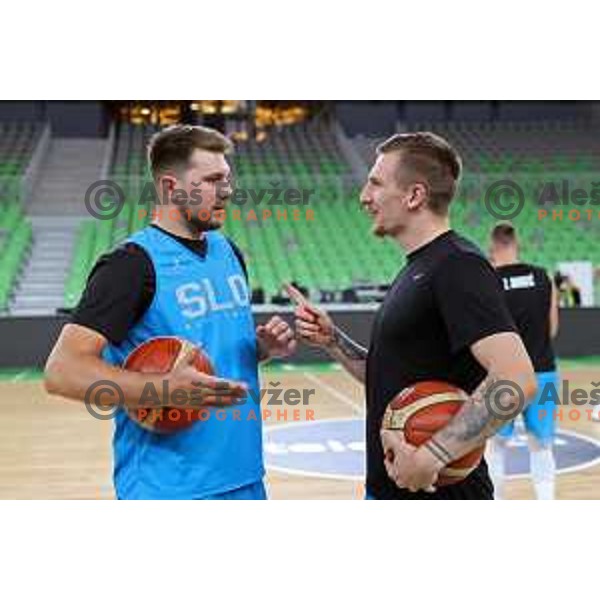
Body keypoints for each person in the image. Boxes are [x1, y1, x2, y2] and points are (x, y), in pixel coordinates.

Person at [45, 125, 296, 500]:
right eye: (212, 180)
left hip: (244, 476)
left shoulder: (228, 251)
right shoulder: (130, 265)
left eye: (227, 178)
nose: (227, 190)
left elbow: (207, 358)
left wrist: (259, 349)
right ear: (169, 187)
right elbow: (63, 371)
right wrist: (162, 390)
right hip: (170, 487)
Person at [289, 132, 537, 500]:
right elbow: (388, 376)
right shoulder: (418, 268)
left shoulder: (458, 265)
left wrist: (433, 455)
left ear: (415, 195)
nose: (364, 197)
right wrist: (333, 340)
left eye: (375, 184)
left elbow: (517, 380)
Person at [488, 222, 560, 500]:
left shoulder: (488, 280)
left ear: (493, 247)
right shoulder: (543, 277)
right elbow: (552, 329)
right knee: (542, 447)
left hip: (504, 376)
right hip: (543, 372)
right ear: (516, 243)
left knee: (497, 447)